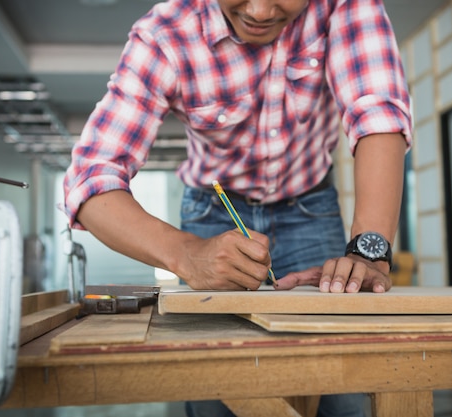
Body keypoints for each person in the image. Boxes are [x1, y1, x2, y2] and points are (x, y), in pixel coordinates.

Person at [64, 0, 412, 415]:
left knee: (347, 388)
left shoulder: (345, 6)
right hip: (212, 214)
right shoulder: (164, 34)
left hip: (311, 207)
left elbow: (377, 114)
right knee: (217, 383)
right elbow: (89, 178)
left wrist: (368, 250)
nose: (262, 11)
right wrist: (187, 254)